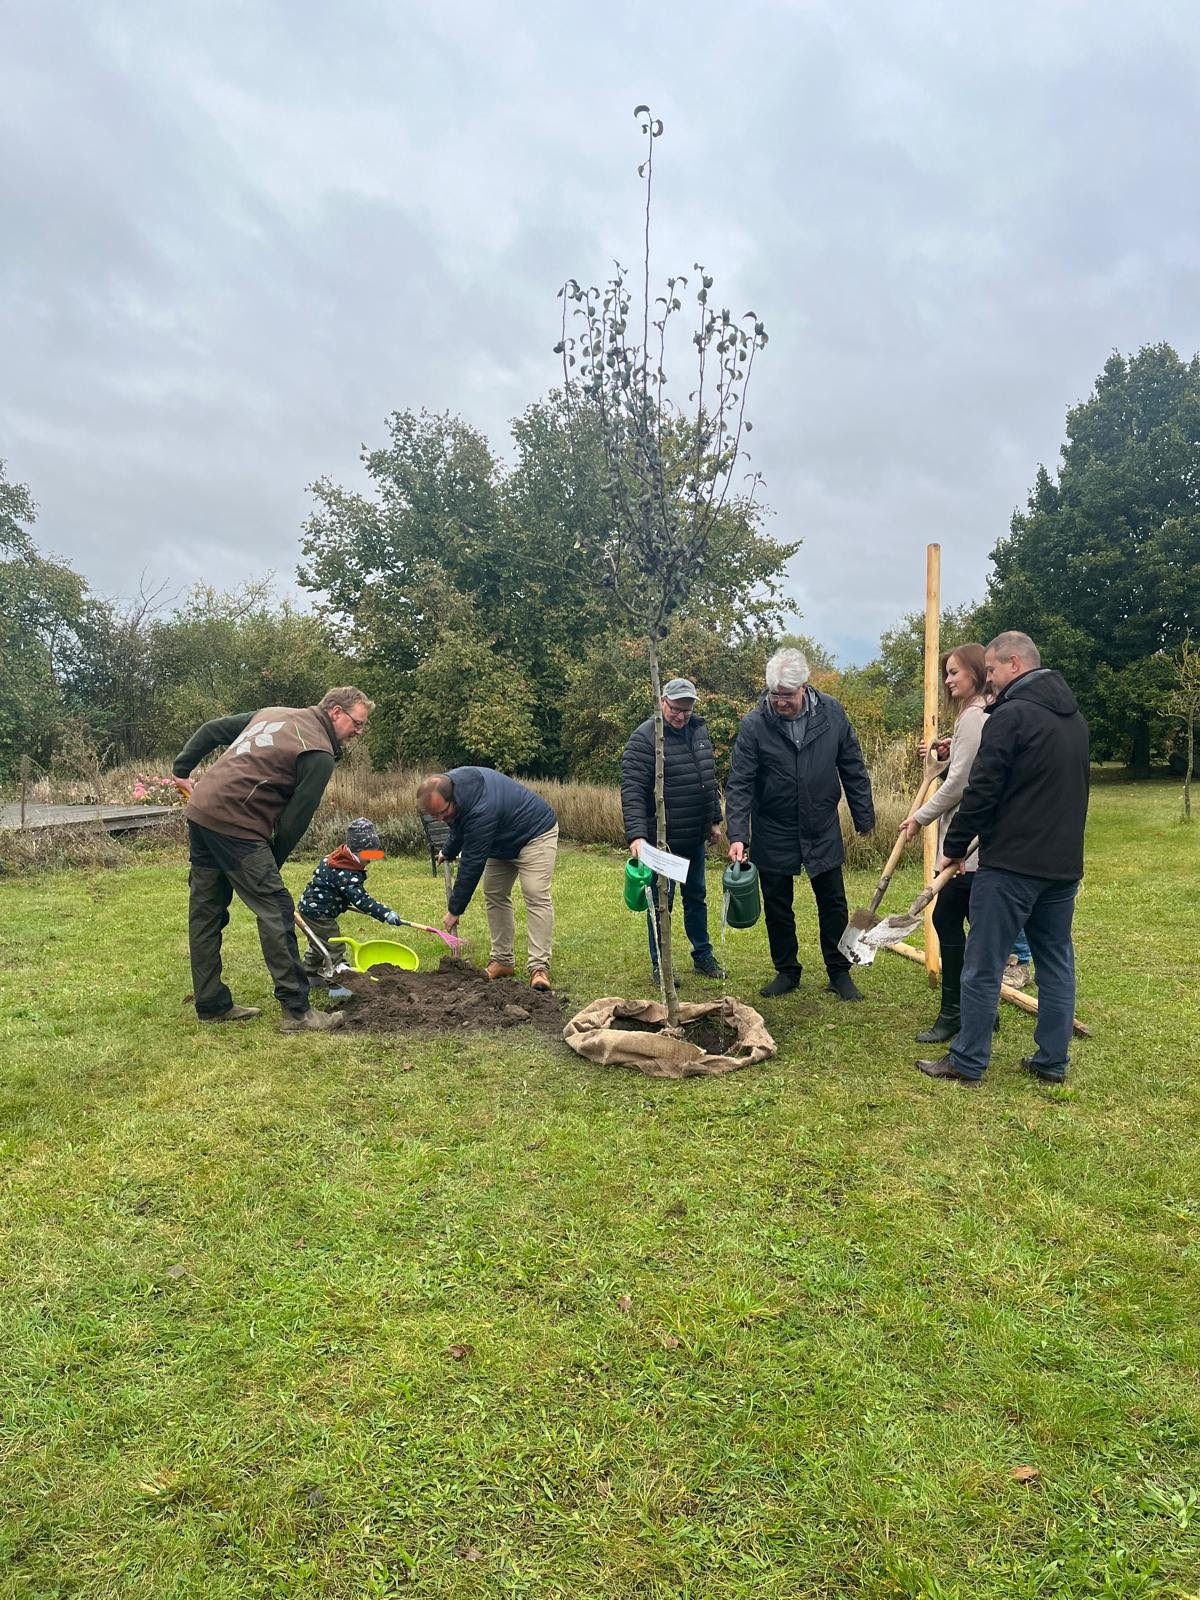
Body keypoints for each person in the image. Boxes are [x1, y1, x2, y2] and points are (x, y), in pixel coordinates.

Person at [917, 631, 1089, 1086]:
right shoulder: (1074, 720)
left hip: (1012, 864)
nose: (987, 680)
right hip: (1062, 865)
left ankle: (967, 1061)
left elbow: (982, 791)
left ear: (1014, 663)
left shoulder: (1009, 717)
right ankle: (1052, 1062)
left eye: (990, 670)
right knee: (1055, 962)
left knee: (983, 961)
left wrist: (952, 850)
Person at [172, 687, 374, 1032]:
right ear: (337, 712)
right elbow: (295, 822)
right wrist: (271, 867)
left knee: (206, 910)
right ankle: (298, 1012)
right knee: (276, 909)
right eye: (357, 723)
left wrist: (182, 768)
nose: (359, 731)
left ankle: (211, 1003)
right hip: (237, 824)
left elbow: (210, 729)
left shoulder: (273, 712)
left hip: (202, 811)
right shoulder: (318, 752)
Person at [725, 646, 876, 1001]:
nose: (780, 703)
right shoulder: (754, 725)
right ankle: (787, 970)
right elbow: (740, 783)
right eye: (775, 695)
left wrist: (863, 817)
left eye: (787, 696)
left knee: (833, 902)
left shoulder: (833, 714)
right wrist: (737, 834)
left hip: (821, 824)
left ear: (804, 688)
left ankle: (839, 972)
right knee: (778, 903)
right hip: (773, 827)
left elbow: (853, 767)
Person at [901, 644, 988, 1043]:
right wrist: (952, 751)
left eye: (954, 672)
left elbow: (959, 785)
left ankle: (954, 1012)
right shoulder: (988, 712)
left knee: (947, 919)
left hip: (965, 844)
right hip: (982, 841)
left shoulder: (973, 716)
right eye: (947, 673)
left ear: (975, 672)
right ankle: (980, 1008)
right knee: (977, 924)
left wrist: (919, 817)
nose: (949, 680)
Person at [620, 676, 726, 985]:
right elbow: (632, 791)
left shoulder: (699, 732)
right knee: (661, 901)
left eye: (687, 710)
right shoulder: (644, 739)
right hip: (661, 841)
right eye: (676, 709)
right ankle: (661, 965)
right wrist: (637, 836)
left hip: (693, 835)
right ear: (662, 702)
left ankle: (702, 954)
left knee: (697, 896)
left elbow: (708, 778)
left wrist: (713, 820)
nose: (681, 716)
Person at [416, 769, 559, 990]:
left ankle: (539, 968)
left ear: (453, 797)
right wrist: (448, 849)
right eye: (435, 816)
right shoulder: (452, 790)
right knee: (494, 893)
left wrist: (455, 909)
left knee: (535, 893)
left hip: (534, 833)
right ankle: (502, 961)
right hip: (501, 839)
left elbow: (472, 863)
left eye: (443, 813)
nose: (441, 819)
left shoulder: (481, 808)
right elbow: (458, 824)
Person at [297, 817, 403, 982]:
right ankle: (339, 983)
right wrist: (385, 913)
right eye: (368, 854)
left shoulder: (339, 857)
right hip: (318, 912)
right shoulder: (345, 872)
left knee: (319, 942)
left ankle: (310, 974)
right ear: (356, 850)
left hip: (312, 907)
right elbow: (362, 900)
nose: (371, 858)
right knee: (333, 945)